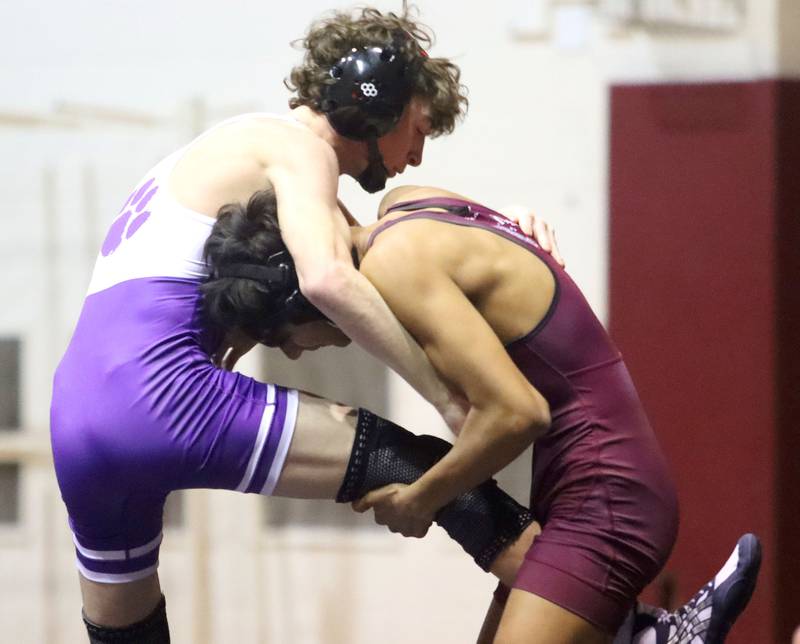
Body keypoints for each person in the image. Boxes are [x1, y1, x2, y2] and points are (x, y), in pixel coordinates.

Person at [49, 7, 565, 643]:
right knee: (413, 467)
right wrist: (445, 398)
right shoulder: (297, 149)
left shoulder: (222, 151)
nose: (415, 155)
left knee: (124, 632)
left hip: (73, 413)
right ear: (373, 99)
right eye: (419, 128)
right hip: (162, 392)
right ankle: (624, 627)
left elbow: (384, 264)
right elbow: (329, 279)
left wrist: (508, 227)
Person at [201, 185, 762, 643]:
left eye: (280, 336)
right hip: (591, 488)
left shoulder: (395, 264)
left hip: (606, 499)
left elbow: (517, 414)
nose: (292, 352)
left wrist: (420, 499)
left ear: (302, 294)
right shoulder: (410, 204)